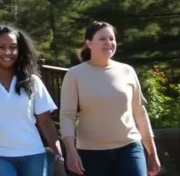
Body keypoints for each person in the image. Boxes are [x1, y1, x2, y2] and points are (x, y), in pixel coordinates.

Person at [59, 21, 161, 176]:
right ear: (89, 43)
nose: (108, 43)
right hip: (91, 153)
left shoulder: (127, 71)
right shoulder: (74, 75)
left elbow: (140, 112)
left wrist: (152, 152)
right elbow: (67, 115)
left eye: (111, 39)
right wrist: (71, 151)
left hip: (129, 147)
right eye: (102, 39)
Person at [0, 26, 62, 176]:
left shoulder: (32, 82)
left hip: (33, 154)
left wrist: (59, 155)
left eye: (13, 47)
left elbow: (45, 122)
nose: (8, 52)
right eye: (1, 47)